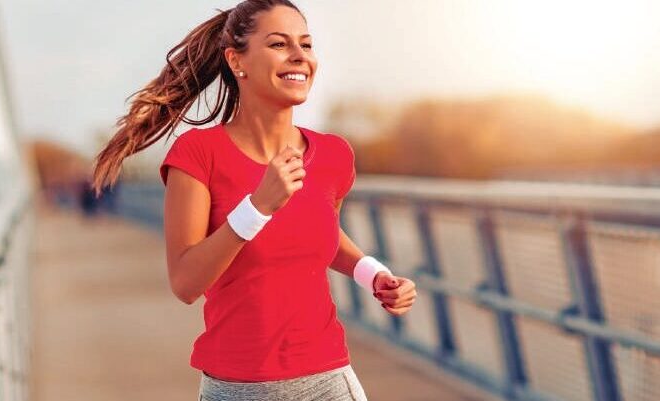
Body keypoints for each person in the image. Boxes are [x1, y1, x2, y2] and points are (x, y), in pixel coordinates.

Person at [90, 1, 418, 399]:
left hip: (328, 382)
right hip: (235, 388)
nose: (300, 56)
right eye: (279, 44)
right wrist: (257, 207)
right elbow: (186, 281)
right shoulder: (198, 154)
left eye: (307, 44)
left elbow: (321, 233)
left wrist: (373, 275)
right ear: (236, 61)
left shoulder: (333, 156)